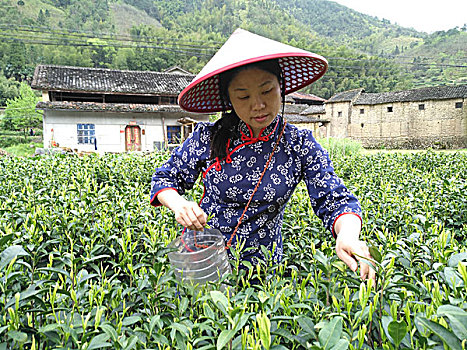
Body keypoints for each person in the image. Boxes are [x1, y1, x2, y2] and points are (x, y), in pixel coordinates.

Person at [150, 29, 375, 281]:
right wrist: (179, 204)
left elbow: (335, 198)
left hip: (265, 271)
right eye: (243, 96)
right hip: (206, 261)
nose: (257, 105)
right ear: (229, 100)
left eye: (267, 91)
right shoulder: (209, 137)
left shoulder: (299, 145)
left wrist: (348, 234)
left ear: (282, 88)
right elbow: (165, 178)